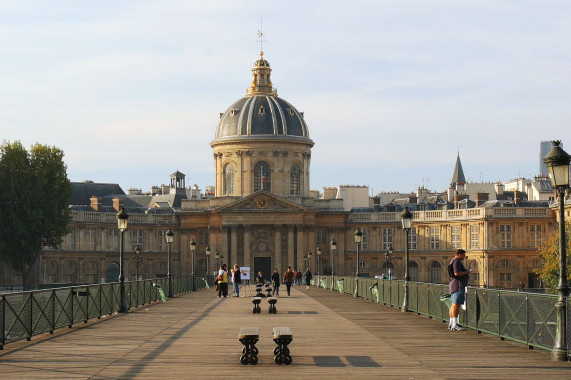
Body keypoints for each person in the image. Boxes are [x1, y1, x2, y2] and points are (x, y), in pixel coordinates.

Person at [449, 249, 469, 330]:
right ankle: (455, 325)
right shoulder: (456, 261)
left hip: (455, 285)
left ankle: (451, 324)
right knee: (456, 305)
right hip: (458, 286)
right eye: (464, 255)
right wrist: (466, 273)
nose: (464, 257)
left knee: (453, 305)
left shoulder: (453, 260)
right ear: (460, 254)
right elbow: (456, 273)